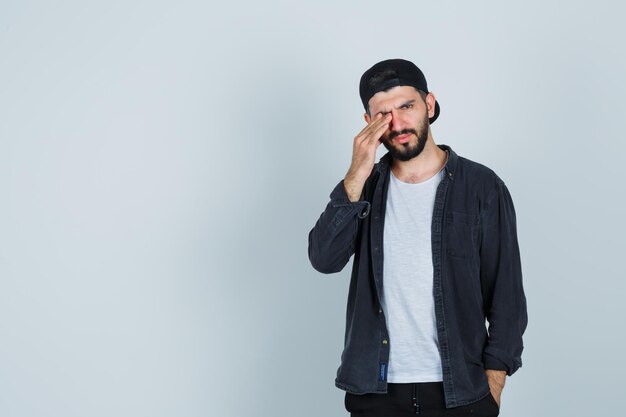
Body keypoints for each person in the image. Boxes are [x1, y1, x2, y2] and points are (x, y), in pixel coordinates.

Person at [308, 59, 527, 417]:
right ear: (369, 124)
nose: (397, 123)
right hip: (375, 393)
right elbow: (324, 259)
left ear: (429, 104)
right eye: (383, 114)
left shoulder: (482, 187)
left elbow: (507, 296)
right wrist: (356, 174)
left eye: (406, 106)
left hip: (462, 393)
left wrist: (494, 384)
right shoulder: (365, 188)